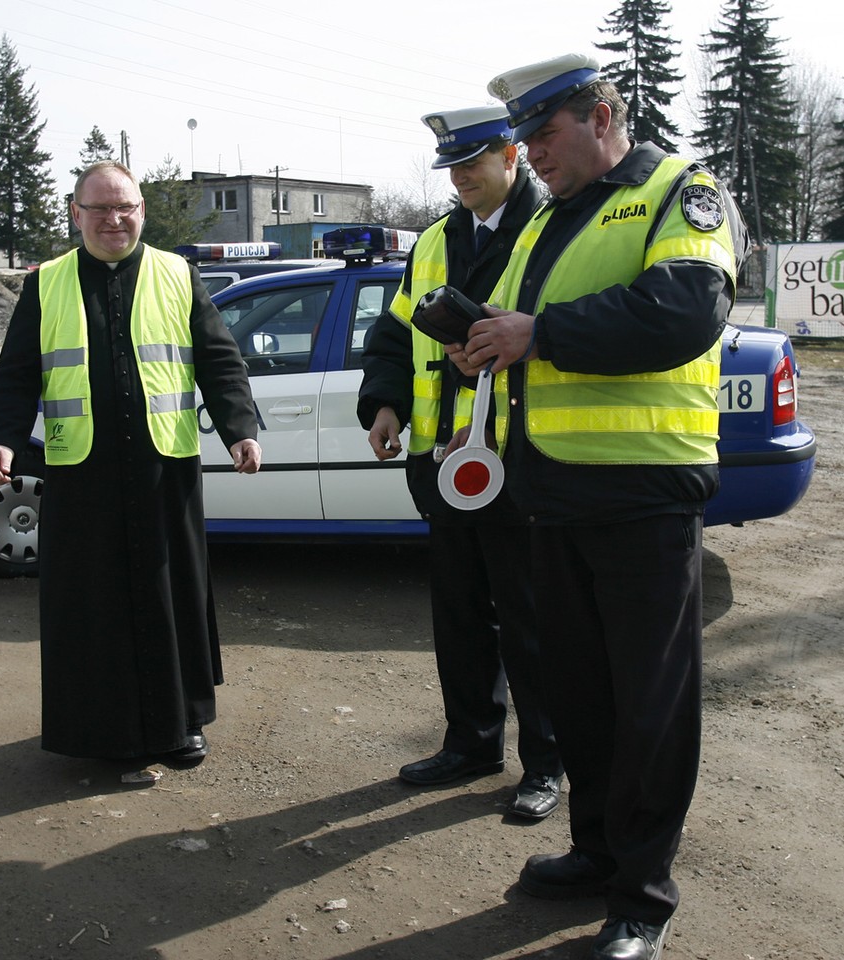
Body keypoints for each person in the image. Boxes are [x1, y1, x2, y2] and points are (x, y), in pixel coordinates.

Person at [445, 55, 747, 960]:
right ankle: (594, 849)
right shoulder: (548, 226)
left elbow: (683, 311)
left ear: (602, 115)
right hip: (552, 493)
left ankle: (642, 896)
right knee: (581, 695)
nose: (530, 152)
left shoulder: (678, 191)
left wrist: (540, 335)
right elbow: (522, 329)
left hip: (642, 494)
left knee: (650, 705)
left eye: (543, 133)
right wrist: (485, 341)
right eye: (526, 138)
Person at [0, 160, 261, 766]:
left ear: (140, 211)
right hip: (82, 474)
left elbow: (219, 360)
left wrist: (239, 428)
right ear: (76, 214)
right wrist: (0, 437)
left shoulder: (178, 274)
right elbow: (16, 374)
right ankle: (95, 732)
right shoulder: (46, 282)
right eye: (100, 208)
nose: (114, 219)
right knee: (91, 604)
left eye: (125, 207)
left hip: (164, 468)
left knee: (171, 596)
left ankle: (180, 724)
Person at [357, 106, 564, 819]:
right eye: (452, 166)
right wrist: (382, 402)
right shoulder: (436, 240)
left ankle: (546, 762)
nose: (461, 177)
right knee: (460, 615)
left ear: (512, 157)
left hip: (519, 463)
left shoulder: (551, 227)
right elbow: (392, 332)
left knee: (531, 619)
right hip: (445, 466)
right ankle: (471, 742)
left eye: (474, 162)